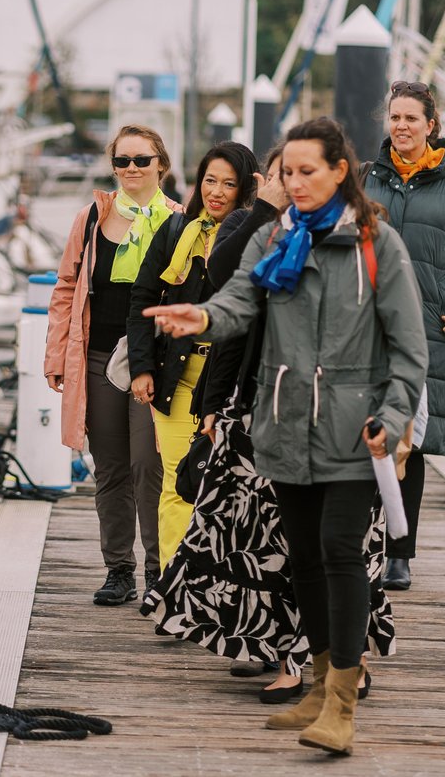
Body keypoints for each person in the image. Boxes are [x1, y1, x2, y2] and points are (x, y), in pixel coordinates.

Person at [146, 117, 427, 755]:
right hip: (282, 422)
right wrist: (203, 318)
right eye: (287, 172)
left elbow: (410, 349)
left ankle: (341, 707)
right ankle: (319, 679)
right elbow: (239, 302)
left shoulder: (378, 244)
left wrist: (396, 413)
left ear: (339, 172)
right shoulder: (273, 238)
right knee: (300, 556)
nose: (295, 183)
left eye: (308, 171)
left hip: (356, 430)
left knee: (338, 549)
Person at [364, 80, 445, 591]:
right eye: (394, 117)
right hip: (367, 329)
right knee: (362, 434)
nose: (401, 126)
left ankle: (400, 553)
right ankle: (364, 544)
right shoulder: (366, 179)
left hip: (425, 330)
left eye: (411, 119)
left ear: (431, 125)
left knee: (409, 440)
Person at [45, 124, 182, 605]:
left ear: (160, 165)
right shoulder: (91, 218)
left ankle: (159, 571)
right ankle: (119, 571)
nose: (130, 170)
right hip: (100, 357)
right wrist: (57, 354)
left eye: (141, 161)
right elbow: (66, 288)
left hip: (155, 363)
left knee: (152, 466)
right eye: (121, 161)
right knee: (111, 469)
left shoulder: (181, 221)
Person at [127, 142, 258, 570]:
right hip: (175, 377)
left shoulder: (254, 239)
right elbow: (142, 299)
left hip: (228, 381)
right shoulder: (175, 230)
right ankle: (170, 583)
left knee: (221, 487)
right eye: (209, 180)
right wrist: (142, 368)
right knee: (177, 483)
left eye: (228, 183)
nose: (216, 192)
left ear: (245, 190)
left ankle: (212, 582)